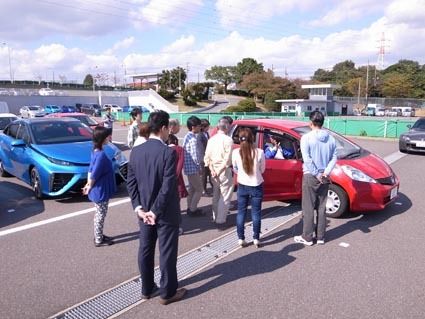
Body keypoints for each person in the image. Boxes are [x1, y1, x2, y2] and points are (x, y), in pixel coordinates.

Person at [127, 110, 187, 305]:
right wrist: (155, 211)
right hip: (165, 212)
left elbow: (131, 183)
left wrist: (139, 209)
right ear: (163, 128)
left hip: (143, 212)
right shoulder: (167, 152)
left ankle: (146, 288)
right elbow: (168, 186)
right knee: (166, 252)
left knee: (145, 249)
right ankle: (167, 292)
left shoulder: (136, 151)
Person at [294, 110, 337, 246]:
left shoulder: (306, 138)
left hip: (310, 176)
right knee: (322, 207)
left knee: (308, 207)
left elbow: (307, 159)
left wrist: (316, 174)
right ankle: (320, 237)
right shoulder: (331, 138)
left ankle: (307, 237)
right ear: (323, 123)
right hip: (325, 175)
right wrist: (325, 172)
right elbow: (334, 157)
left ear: (311, 123)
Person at [82, 126, 117, 247]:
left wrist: (88, 184)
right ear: (103, 138)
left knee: (99, 213)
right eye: (108, 136)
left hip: (98, 189)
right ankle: (98, 239)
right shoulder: (101, 155)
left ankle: (99, 235)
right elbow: (95, 172)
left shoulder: (95, 152)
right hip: (100, 190)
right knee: (100, 214)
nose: (109, 137)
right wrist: (89, 185)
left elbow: (90, 170)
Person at [232, 128, 265, 248]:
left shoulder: (235, 152)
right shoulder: (260, 152)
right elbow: (262, 170)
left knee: (241, 212)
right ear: (252, 138)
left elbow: (235, 169)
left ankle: (241, 238)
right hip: (256, 184)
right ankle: (256, 238)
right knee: (256, 213)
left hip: (242, 184)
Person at [204, 118, 234, 229]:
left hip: (213, 171)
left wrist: (212, 170)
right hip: (223, 171)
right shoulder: (228, 140)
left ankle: (215, 216)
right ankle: (221, 220)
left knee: (216, 194)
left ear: (217, 127)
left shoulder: (211, 139)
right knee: (225, 196)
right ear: (226, 127)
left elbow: (207, 157)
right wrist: (219, 170)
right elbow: (227, 160)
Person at [183, 116, 204, 216]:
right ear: (193, 127)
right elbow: (195, 156)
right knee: (199, 189)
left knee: (192, 189)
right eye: (199, 126)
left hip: (188, 167)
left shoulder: (187, 136)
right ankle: (193, 209)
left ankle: (189, 207)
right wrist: (199, 167)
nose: (200, 128)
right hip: (193, 168)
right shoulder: (193, 139)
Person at [197, 118, 212, 195]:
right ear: (203, 127)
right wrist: (204, 159)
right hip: (203, 159)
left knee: (209, 174)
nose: (208, 128)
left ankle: (207, 188)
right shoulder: (200, 135)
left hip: (207, 157)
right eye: (207, 127)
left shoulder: (206, 134)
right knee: (204, 175)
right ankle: (203, 190)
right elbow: (201, 148)